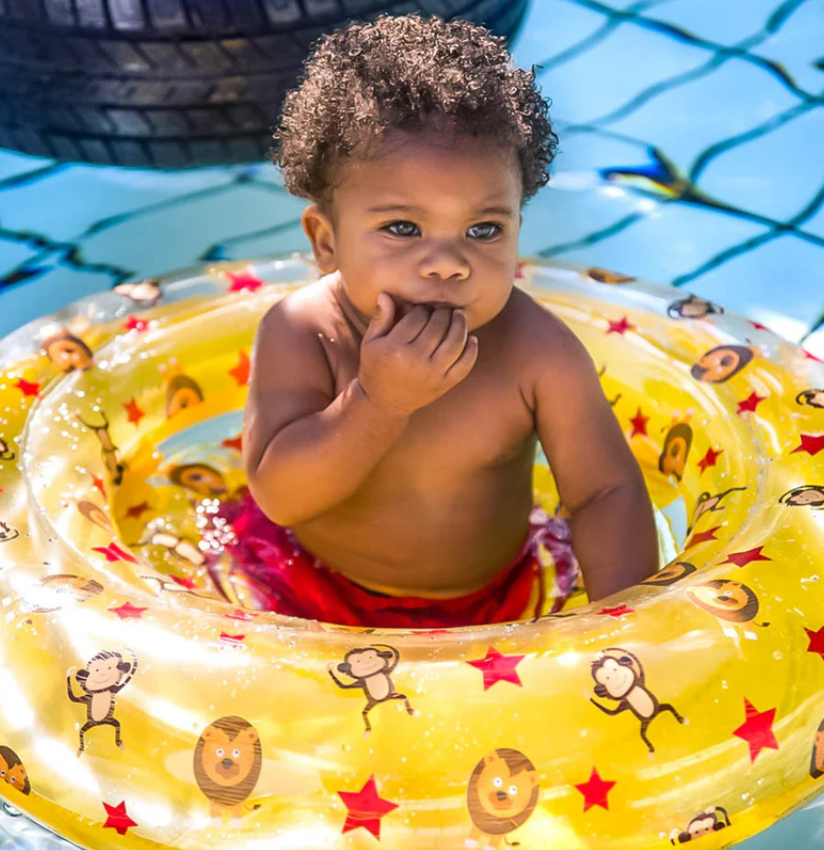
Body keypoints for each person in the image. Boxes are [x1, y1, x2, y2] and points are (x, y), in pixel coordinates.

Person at [221, 13, 658, 629]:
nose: (449, 263)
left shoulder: (536, 350)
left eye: (484, 230)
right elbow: (282, 496)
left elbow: (604, 492)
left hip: (489, 602)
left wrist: (625, 626)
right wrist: (378, 401)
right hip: (304, 587)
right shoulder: (302, 331)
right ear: (326, 242)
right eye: (403, 227)